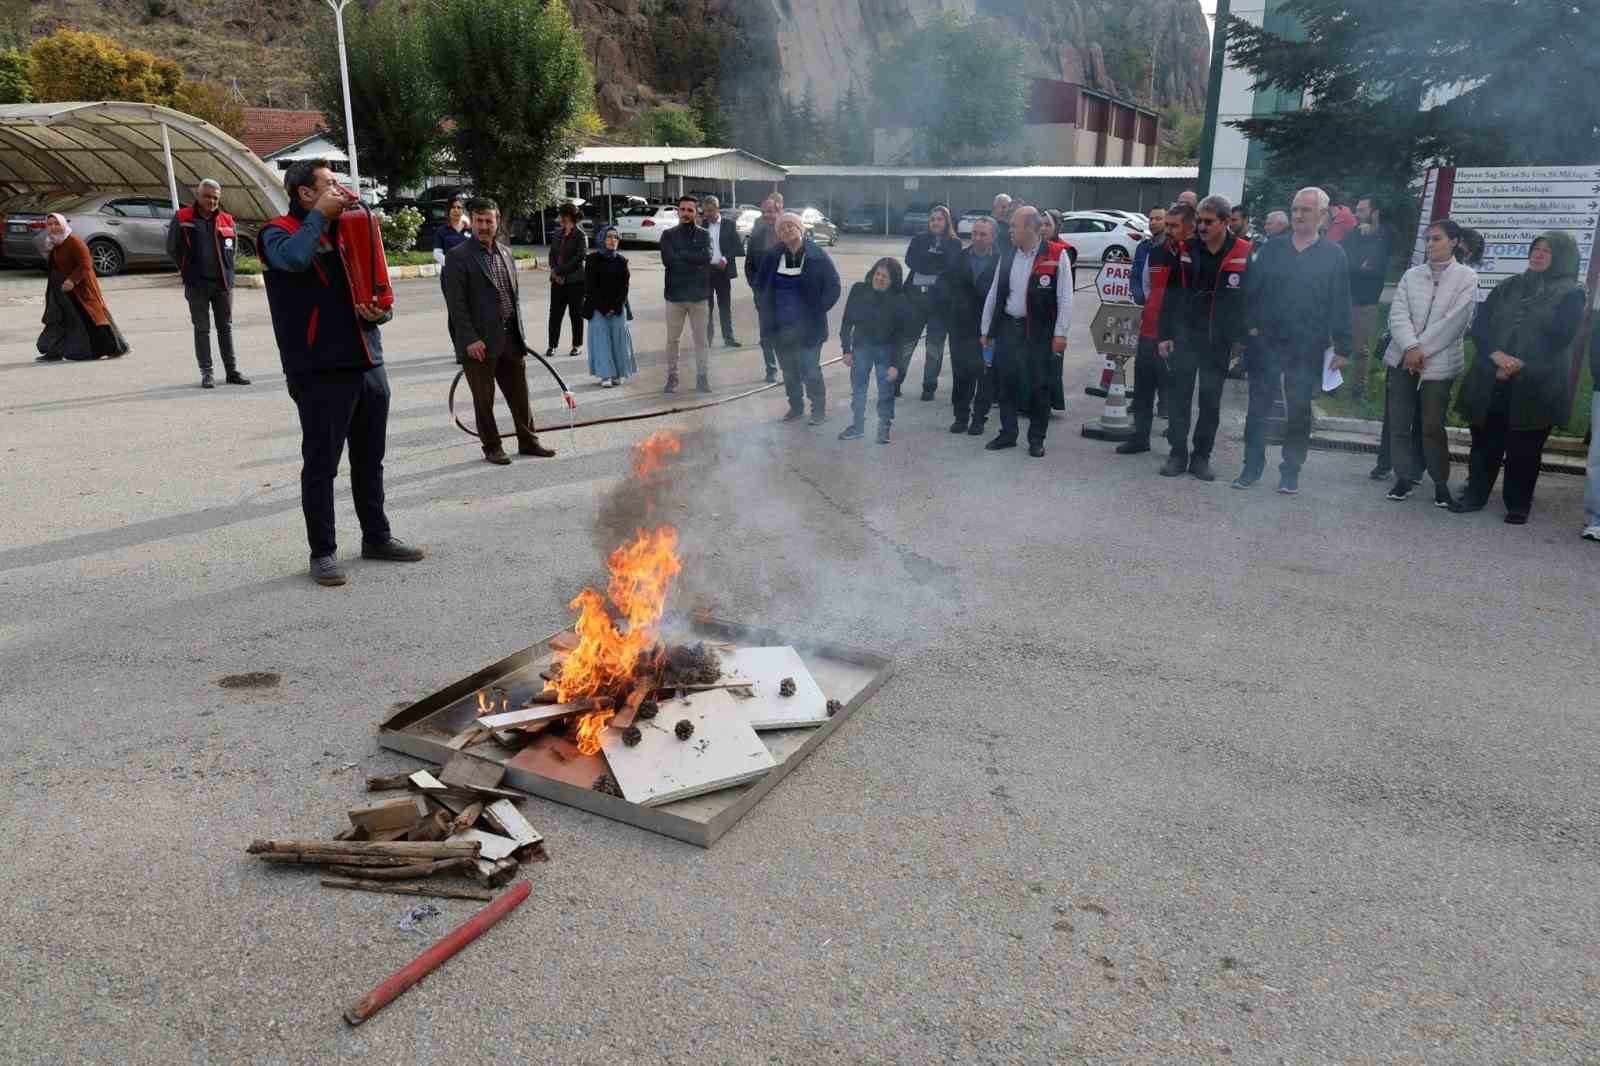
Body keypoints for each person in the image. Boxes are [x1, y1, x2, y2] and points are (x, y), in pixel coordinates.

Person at [258, 158, 424, 587]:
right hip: (319, 369)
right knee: (322, 466)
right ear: (305, 194)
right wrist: (318, 218)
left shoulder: (349, 228)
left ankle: (377, 537)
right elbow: (293, 260)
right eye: (330, 184)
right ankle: (323, 553)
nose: (340, 190)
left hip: (368, 361)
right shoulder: (277, 232)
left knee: (370, 460)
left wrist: (380, 313)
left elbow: (376, 285)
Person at [1454, 231, 1585, 524]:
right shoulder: (1508, 286)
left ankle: (1518, 503)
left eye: (1547, 251)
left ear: (1562, 257)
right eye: (1535, 248)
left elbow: (1561, 337)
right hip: (1492, 374)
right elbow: (1481, 326)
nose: (1538, 254)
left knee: (1525, 446)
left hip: (1537, 381)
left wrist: (1517, 364)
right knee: (1485, 439)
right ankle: (1475, 494)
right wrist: (1497, 356)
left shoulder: (1571, 293)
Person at [1233, 187, 1352, 494]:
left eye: (1306, 210)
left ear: (1322, 215)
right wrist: (1250, 328)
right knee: (1258, 407)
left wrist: (1343, 347)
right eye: (1295, 209)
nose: (1298, 215)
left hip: (1307, 344)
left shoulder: (1333, 255)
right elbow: (1251, 290)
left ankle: (1290, 471)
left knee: (1298, 410)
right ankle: (1251, 467)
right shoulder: (1272, 248)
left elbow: (1340, 302)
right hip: (1267, 342)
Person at [442, 196, 558, 467]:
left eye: (489, 221)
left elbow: (512, 298)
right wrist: (470, 339)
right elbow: (456, 304)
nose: (484, 226)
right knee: (484, 400)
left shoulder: (505, 252)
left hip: (511, 339)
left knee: (520, 396)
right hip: (479, 344)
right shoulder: (458, 256)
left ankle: (528, 441)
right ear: (472, 222)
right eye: (479, 221)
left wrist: (520, 334)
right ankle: (492, 446)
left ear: (497, 222)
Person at [1379, 219, 1479, 508]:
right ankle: (1403, 477)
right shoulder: (1412, 275)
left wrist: (1421, 350)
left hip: (1438, 362)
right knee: (1399, 422)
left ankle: (1439, 483)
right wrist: (1410, 347)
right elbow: (1398, 313)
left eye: (1437, 238)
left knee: (1432, 426)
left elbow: (1456, 322)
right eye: (1427, 239)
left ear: (1454, 242)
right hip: (1403, 357)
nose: (1430, 244)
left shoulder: (1466, 278)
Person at [1154, 195, 1250, 481]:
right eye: (1199, 221)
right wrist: (1165, 334)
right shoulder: (1187, 248)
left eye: (1208, 222)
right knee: (1179, 398)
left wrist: (1242, 338)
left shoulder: (1243, 251)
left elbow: (1250, 299)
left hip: (1218, 340)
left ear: (1225, 221)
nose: (1202, 227)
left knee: (1210, 402)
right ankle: (1177, 454)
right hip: (1185, 336)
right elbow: (1171, 294)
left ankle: (1201, 457)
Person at [979, 206, 1072, 458]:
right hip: (1009, 328)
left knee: (1039, 386)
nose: (1009, 230)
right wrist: (986, 329)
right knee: (1006, 384)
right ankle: (1008, 433)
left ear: (1031, 228)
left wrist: (1061, 333)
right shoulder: (1008, 254)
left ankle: (1036, 439)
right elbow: (994, 293)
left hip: (1039, 332)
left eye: (1014, 226)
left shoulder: (1057, 254)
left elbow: (1065, 298)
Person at [753, 211, 841, 424]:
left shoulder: (817, 255)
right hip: (780, 328)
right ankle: (796, 407)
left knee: (810, 370)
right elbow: (760, 288)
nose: (786, 230)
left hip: (809, 328)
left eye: (790, 226)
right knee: (789, 372)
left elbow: (833, 286)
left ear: (800, 229)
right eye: (782, 228)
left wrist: (817, 309)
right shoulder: (772, 256)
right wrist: (765, 311)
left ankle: (818, 410)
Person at [166, 178, 249, 388]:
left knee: (225, 328)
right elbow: (172, 248)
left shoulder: (227, 220)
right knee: (202, 329)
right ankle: (207, 373)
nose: (211, 201)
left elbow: (232, 250)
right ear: (198, 195)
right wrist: (186, 269)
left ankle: (231, 371)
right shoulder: (183, 217)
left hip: (222, 285)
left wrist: (229, 274)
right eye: (207, 196)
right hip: (197, 285)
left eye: (215, 198)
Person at [1121, 203, 1182, 454]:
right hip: (1149, 329)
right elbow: (1146, 284)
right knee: (1143, 386)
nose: (1168, 230)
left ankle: (1177, 445)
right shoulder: (1154, 253)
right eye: (1167, 225)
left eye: (1173, 225)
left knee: (1175, 388)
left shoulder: (1190, 254)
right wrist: (1150, 307)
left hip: (1176, 334)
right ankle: (1140, 437)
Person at [35, 213, 129, 363]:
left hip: (79, 289)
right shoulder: (54, 243)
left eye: (56, 223)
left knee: (91, 318)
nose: (53, 227)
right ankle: (54, 351)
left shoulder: (73, 241)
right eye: (50, 224)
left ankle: (113, 348)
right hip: (60, 290)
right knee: (60, 319)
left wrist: (72, 280)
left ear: (63, 225)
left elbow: (86, 264)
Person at [839, 257, 912, 444]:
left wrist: (895, 365)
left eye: (885, 277)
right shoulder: (859, 290)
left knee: (886, 391)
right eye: (877, 274)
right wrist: (846, 349)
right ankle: (858, 426)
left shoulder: (900, 300)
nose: (879, 279)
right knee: (859, 389)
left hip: (885, 350)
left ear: (893, 281)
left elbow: (901, 336)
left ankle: (883, 428)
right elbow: (846, 322)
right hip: (861, 348)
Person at [941, 216, 1000, 436]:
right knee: (961, 373)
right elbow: (945, 285)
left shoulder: (1002, 261)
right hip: (960, 327)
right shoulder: (959, 258)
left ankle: (979, 419)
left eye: (983, 234)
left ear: (993, 236)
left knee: (985, 375)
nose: (977, 238)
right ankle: (961, 417)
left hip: (987, 329)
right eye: (975, 233)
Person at [899, 204, 961, 401]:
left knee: (935, 347)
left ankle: (929, 387)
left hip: (940, 304)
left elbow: (951, 267)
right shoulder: (918, 239)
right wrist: (935, 260)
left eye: (939, 219)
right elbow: (911, 260)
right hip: (915, 300)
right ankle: (895, 382)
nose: (935, 222)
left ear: (946, 221)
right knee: (906, 344)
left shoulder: (954, 243)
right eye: (932, 219)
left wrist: (928, 261)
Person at [1340, 195, 1392, 399]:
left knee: (1360, 347)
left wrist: (1368, 242)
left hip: (1367, 300)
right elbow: (1345, 262)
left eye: (1362, 210)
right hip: (1345, 296)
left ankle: (1358, 388)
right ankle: (1331, 384)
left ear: (1375, 212)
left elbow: (1375, 265)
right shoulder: (1352, 234)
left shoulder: (1385, 235)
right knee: (1338, 342)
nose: (1357, 214)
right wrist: (1359, 265)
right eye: (1357, 210)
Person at [661, 195, 712, 393]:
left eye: (690, 210)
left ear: (696, 212)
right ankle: (672, 377)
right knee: (672, 339)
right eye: (682, 209)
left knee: (701, 340)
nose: (685, 213)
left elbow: (706, 257)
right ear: (678, 211)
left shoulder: (704, 235)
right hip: (675, 296)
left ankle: (702, 377)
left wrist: (681, 254)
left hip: (699, 296)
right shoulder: (668, 235)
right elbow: (669, 261)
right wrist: (693, 260)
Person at [583, 224, 636, 388]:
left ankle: (618, 373)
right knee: (601, 338)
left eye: (615, 237)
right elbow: (590, 287)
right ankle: (605, 375)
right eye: (609, 237)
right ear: (602, 239)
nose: (613, 240)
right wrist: (604, 308)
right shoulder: (592, 260)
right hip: (597, 306)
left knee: (619, 338)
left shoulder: (621, 261)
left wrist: (615, 307)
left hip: (618, 306)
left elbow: (624, 287)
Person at [745, 198, 782, 383]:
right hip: (764, 296)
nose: (767, 215)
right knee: (766, 335)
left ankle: (789, 368)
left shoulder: (789, 233)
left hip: (786, 297)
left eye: (770, 211)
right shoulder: (757, 236)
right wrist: (757, 288)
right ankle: (771, 369)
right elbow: (749, 266)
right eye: (764, 212)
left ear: (779, 211)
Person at [700, 196, 742, 349]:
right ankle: (707, 340)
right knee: (707, 308)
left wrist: (725, 258)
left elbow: (737, 247)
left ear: (717, 209)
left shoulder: (729, 225)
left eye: (710, 211)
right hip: (706, 272)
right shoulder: (702, 225)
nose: (708, 214)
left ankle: (728, 338)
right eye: (705, 211)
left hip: (722, 271)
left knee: (724, 306)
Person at [545, 203, 586, 358]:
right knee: (555, 314)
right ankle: (552, 345)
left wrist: (560, 271)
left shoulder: (580, 235)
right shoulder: (557, 233)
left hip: (575, 281)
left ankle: (577, 345)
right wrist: (554, 271)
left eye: (561, 215)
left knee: (575, 314)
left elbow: (579, 258)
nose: (559, 218)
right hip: (557, 280)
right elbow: (552, 254)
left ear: (567, 217)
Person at [431, 197, 470, 266]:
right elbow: (437, 253)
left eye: (459, 207)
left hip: (468, 269)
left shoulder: (471, 229)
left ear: (463, 211)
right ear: (449, 210)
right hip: (449, 269)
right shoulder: (441, 230)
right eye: (453, 207)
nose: (456, 210)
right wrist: (451, 264)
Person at [991, 193, 1015, 257]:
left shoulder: (1014, 227)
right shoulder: (988, 225)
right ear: (994, 208)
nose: (1006, 210)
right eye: (1003, 207)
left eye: (1009, 207)